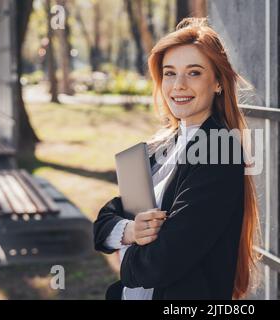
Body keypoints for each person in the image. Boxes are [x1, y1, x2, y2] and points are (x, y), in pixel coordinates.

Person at [93, 17, 261, 300]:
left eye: (194, 73)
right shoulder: (157, 147)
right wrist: (131, 231)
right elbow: (103, 224)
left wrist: (125, 252)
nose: (178, 85)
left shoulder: (220, 151)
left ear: (218, 82)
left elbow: (162, 262)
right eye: (170, 73)